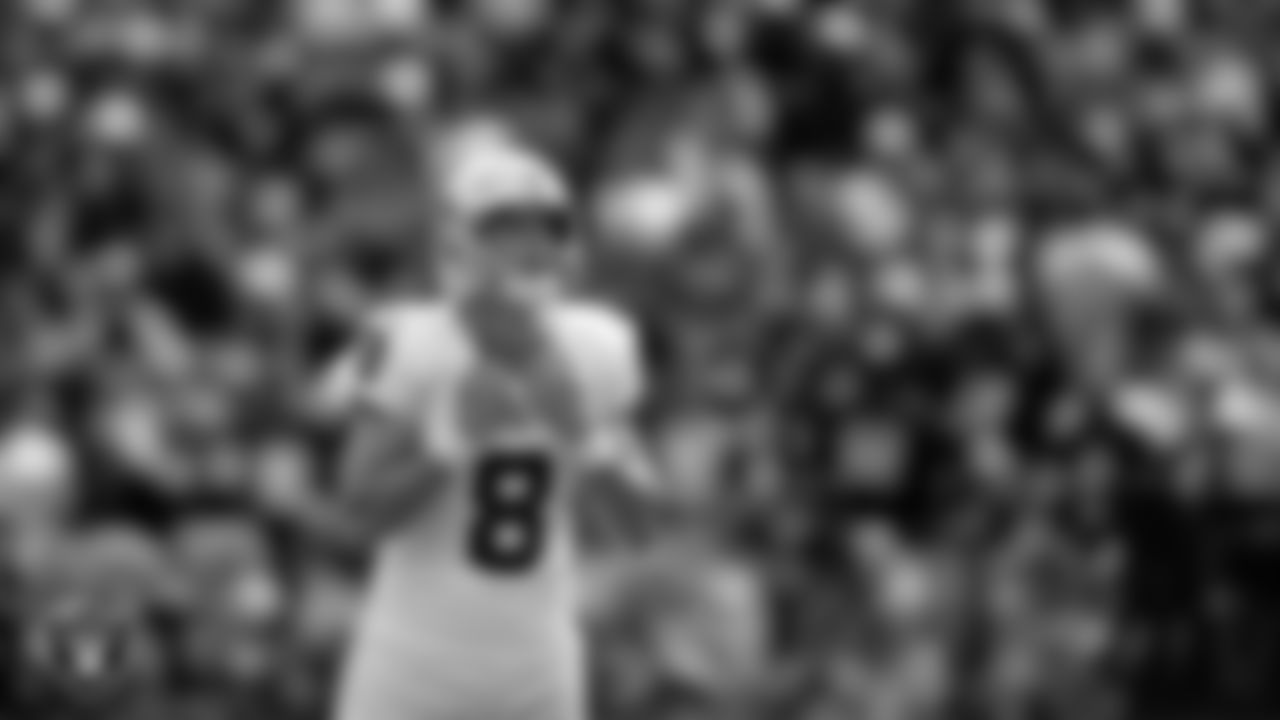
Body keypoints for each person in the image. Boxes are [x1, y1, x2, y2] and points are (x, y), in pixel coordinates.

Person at [325, 132, 655, 720]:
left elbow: (638, 527)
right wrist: (446, 441)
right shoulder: (408, 345)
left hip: (538, 660)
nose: (530, 249)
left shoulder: (595, 348)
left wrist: (588, 439)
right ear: (457, 239)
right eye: (505, 229)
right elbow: (356, 517)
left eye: (545, 228)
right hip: (412, 662)